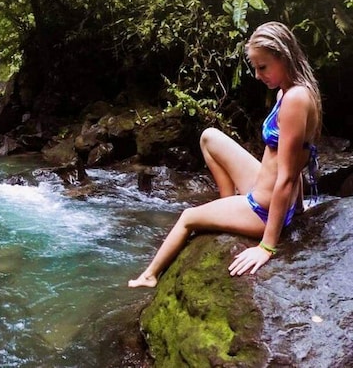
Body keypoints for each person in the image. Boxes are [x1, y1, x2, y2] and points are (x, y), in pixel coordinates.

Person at [128, 21, 322, 288]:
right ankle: (227, 203)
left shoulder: (295, 100)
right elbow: (297, 155)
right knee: (209, 137)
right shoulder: (289, 92)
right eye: (254, 67)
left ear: (283, 56)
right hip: (264, 190)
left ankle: (149, 276)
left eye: (262, 66)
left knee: (187, 218)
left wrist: (267, 246)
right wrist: (298, 208)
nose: (257, 74)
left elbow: (288, 176)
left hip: (262, 210)